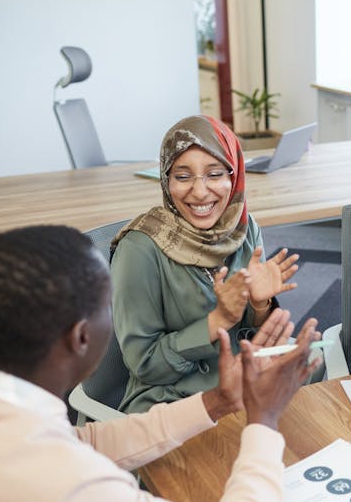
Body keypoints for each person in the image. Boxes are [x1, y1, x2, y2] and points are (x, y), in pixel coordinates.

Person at [0, 225, 321, 502]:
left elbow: (78, 442)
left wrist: (217, 401)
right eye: (109, 304)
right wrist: (264, 420)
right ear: (82, 336)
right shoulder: (73, 494)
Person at [111, 115, 303, 413]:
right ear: (166, 180)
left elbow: (254, 338)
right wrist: (218, 321)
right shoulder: (139, 249)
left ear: (234, 176)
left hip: (244, 381)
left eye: (214, 174)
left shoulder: (243, 227)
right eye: (183, 176)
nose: (200, 192)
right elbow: (144, 363)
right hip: (171, 401)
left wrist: (260, 305)